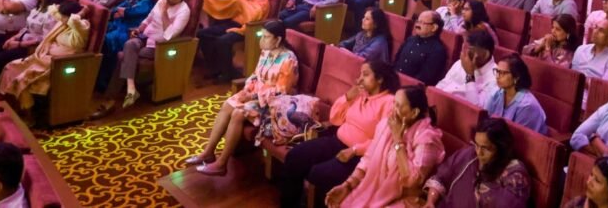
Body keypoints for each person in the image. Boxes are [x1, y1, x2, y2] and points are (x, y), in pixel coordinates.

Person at [279, 59, 399, 208]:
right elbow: (335, 119)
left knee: (318, 174)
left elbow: (383, 141)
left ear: (380, 79)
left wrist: (355, 150)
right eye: (360, 74)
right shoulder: (360, 94)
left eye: (366, 75)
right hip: (336, 141)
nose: (359, 79)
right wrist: (348, 96)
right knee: (295, 156)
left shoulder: (390, 103)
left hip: (358, 156)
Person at [187, 21, 297, 176]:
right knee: (228, 105)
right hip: (256, 96)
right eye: (261, 36)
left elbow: (282, 91)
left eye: (266, 37)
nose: (261, 41)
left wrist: (254, 96)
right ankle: (208, 152)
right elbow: (255, 75)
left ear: (278, 40)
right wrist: (247, 90)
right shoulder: (266, 52)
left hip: (274, 104)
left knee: (239, 113)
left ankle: (221, 163)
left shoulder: (288, 60)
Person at [324, 85, 445, 208]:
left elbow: (412, 181)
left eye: (398, 105)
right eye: (393, 103)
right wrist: (347, 186)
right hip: (375, 192)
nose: (392, 109)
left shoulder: (427, 139)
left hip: (406, 201)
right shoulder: (386, 126)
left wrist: (398, 140)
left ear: (414, 113)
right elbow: (368, 160)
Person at [94, 0, 191, 115]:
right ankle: (131, 88)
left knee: (123, 57)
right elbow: (148, 18)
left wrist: (164, 13)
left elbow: (170, 35)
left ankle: (110, 100)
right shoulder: (162, 1)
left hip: (158, 46)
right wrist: (139, 29)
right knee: (129, 44)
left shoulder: (184, 11)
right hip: (145, 37)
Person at [0, 0, 89, 113]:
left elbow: (74, 20)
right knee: (10, 67)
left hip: (57, 64)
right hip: (44, 57)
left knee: (22, 80)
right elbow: (52, 8)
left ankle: (28, 115)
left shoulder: (82, 27)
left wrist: (83, 11)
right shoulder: (64, 22)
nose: (61, 19)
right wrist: (66, 10)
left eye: (65, 17)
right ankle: (10, 103)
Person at [422, 117, 531, 208]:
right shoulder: (470, 154)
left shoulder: (515, 175)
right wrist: (431, 200)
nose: (479, 152)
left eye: (486, 148)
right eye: (476, 145)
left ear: (501, 147)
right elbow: (441, 177)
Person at [196, 0, 270, 80]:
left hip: (248, 29)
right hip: (233, 23)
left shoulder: (262, 1)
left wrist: (237, 30)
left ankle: (227, 73)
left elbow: (254, 20)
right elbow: (232, 7)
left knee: (223, 40)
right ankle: (214, 68)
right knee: (202, 34)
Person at [96, 0, 156, 90]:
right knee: (98, 33)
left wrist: (124, 12)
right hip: (117, 26)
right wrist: (120, 12)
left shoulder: (148, 2)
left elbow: (131, 12)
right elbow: (115, 10)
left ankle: (105, 80)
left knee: (106, 41)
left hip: (129, 32)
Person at [485, 52, 547, 134]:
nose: (497, 76)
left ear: (516, 77)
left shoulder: (527, 106)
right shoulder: (496, 94)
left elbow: (519, 139)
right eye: (497, 71)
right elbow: (485, 123)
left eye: (503, 73)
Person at [435, 29, 496, 106]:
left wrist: (470, 75)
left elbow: (477, 108)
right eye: (464, 49)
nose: (464, 54)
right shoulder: (460, 62)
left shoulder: (495, 78)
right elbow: (441, 85)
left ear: (486, 54)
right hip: (442, 105)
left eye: (470, 51)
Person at [394, 10, 448, 86]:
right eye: (417, 21)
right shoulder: (410, 39)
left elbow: (425, 79)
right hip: (395, 81)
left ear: (434, 27)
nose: (417, 25)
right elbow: (396, 60)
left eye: (422, 23)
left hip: (411, 90)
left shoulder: (437, 50)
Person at [571, 19, 608, 88]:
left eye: (601, 30)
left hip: (592, 96)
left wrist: (577, 80)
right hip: (571, 91)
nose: (595, 32)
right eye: (596, 27)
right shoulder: (581, 49)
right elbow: (572, 75)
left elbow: (602, 87)